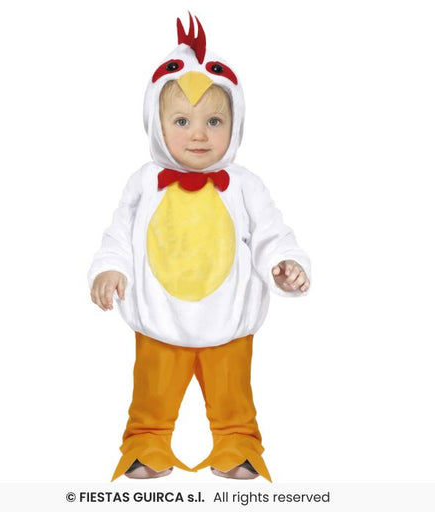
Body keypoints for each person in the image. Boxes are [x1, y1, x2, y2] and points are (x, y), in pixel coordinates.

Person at [88, 13, 310, 482]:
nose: (199, 134)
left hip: (228, 315)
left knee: (234, 394)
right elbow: (118, 234)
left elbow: (271, 231)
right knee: (151, 393)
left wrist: (284, 262)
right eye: (181, 120)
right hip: (159, 313)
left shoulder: (244, 184)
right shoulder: (144, 182)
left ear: (236, 123)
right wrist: (110, 268)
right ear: (156, 124)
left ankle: (237, 444)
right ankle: (146, 444)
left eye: (214, 120)